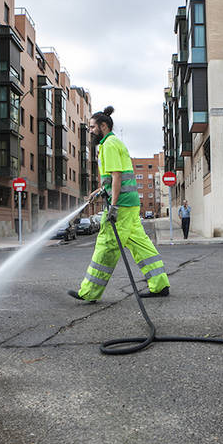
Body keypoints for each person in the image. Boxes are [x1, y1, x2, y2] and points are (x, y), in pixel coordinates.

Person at [68, 106, 170, 301]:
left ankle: (89, 292)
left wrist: (113, 206)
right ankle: (160, 284)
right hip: (129, 204)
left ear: (103, 126)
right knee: (140, 244)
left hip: (121, 205)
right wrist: (98, 192)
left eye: (92, 127)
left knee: (107, 245)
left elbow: (117, 176)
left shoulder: (109, 145)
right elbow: (112, 179)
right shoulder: (113, 143)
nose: (90, 131)